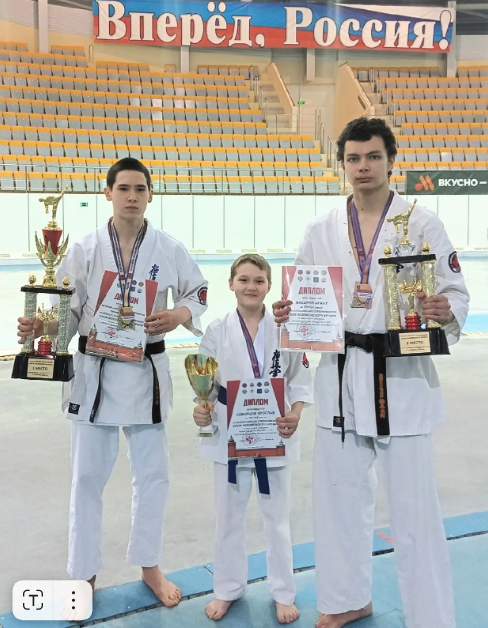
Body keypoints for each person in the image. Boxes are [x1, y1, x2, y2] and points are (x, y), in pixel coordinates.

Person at [273, 118, 469, 628]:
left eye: (373, 157)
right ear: (342, 164)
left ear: (390, 161)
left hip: (400, 376)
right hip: (339, 377)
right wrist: (290, 314)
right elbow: (305, 299)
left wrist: (446, 310)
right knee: (338, 502)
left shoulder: (421, 223)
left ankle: (431, 618)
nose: (363, 167)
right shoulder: (320, 229)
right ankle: (346, 600)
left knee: (414, 511)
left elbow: (455, 293)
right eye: (354, 158)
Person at [17, 157, 209, 607]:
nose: (132, 197)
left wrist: (178, 314)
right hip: (95, 375)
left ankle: (149, 565)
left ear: (150, 195)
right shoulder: (84, 249)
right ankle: (82, 574)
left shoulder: (168, 248)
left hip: (146, 373)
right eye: (123, 188)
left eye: (140, 189)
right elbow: (65, 311)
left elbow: (198, 291)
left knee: (154, 477)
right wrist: (41, 328)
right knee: (86, 478)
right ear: (108, 193)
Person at [193, 254, 313, 624]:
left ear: (269, 286)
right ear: (231, 283)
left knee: (277, 520)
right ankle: (228, 588)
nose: (251, 286)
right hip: (230, 433)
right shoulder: (216, 330)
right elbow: (205, 385)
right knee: (228, 518)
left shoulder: (285, 328)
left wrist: (295, 413)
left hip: (274, 431)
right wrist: (202, 409)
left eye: (259, 280)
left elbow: (299, 379)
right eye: (243, 279)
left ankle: (283, 592)